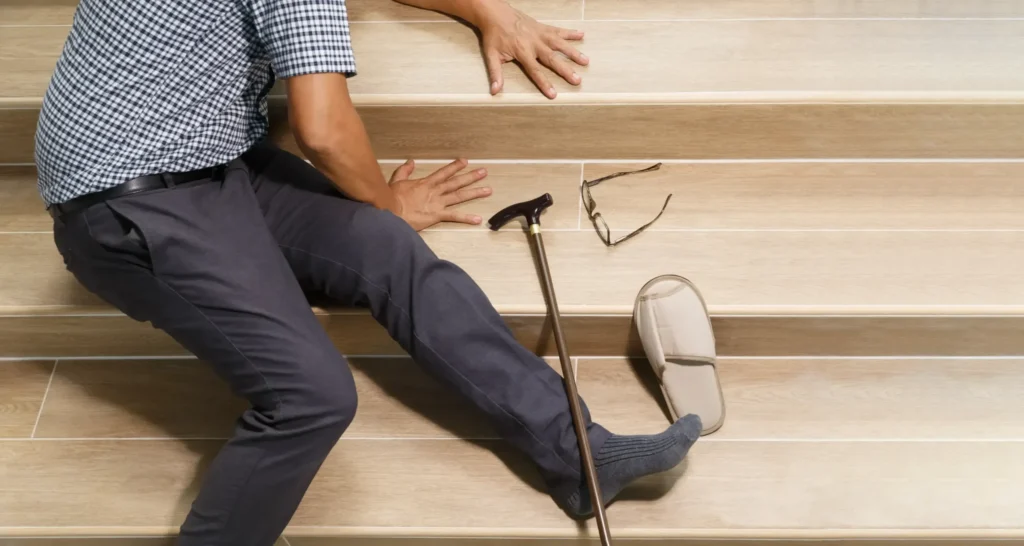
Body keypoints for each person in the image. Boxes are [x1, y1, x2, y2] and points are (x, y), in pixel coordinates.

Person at [35, 0, 702, 544]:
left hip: (209, 158)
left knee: (382, 244)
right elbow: (322, 128)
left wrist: (479, 9)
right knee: (314, 397)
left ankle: (580, 456)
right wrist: (388, 198)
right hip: (127, 204)